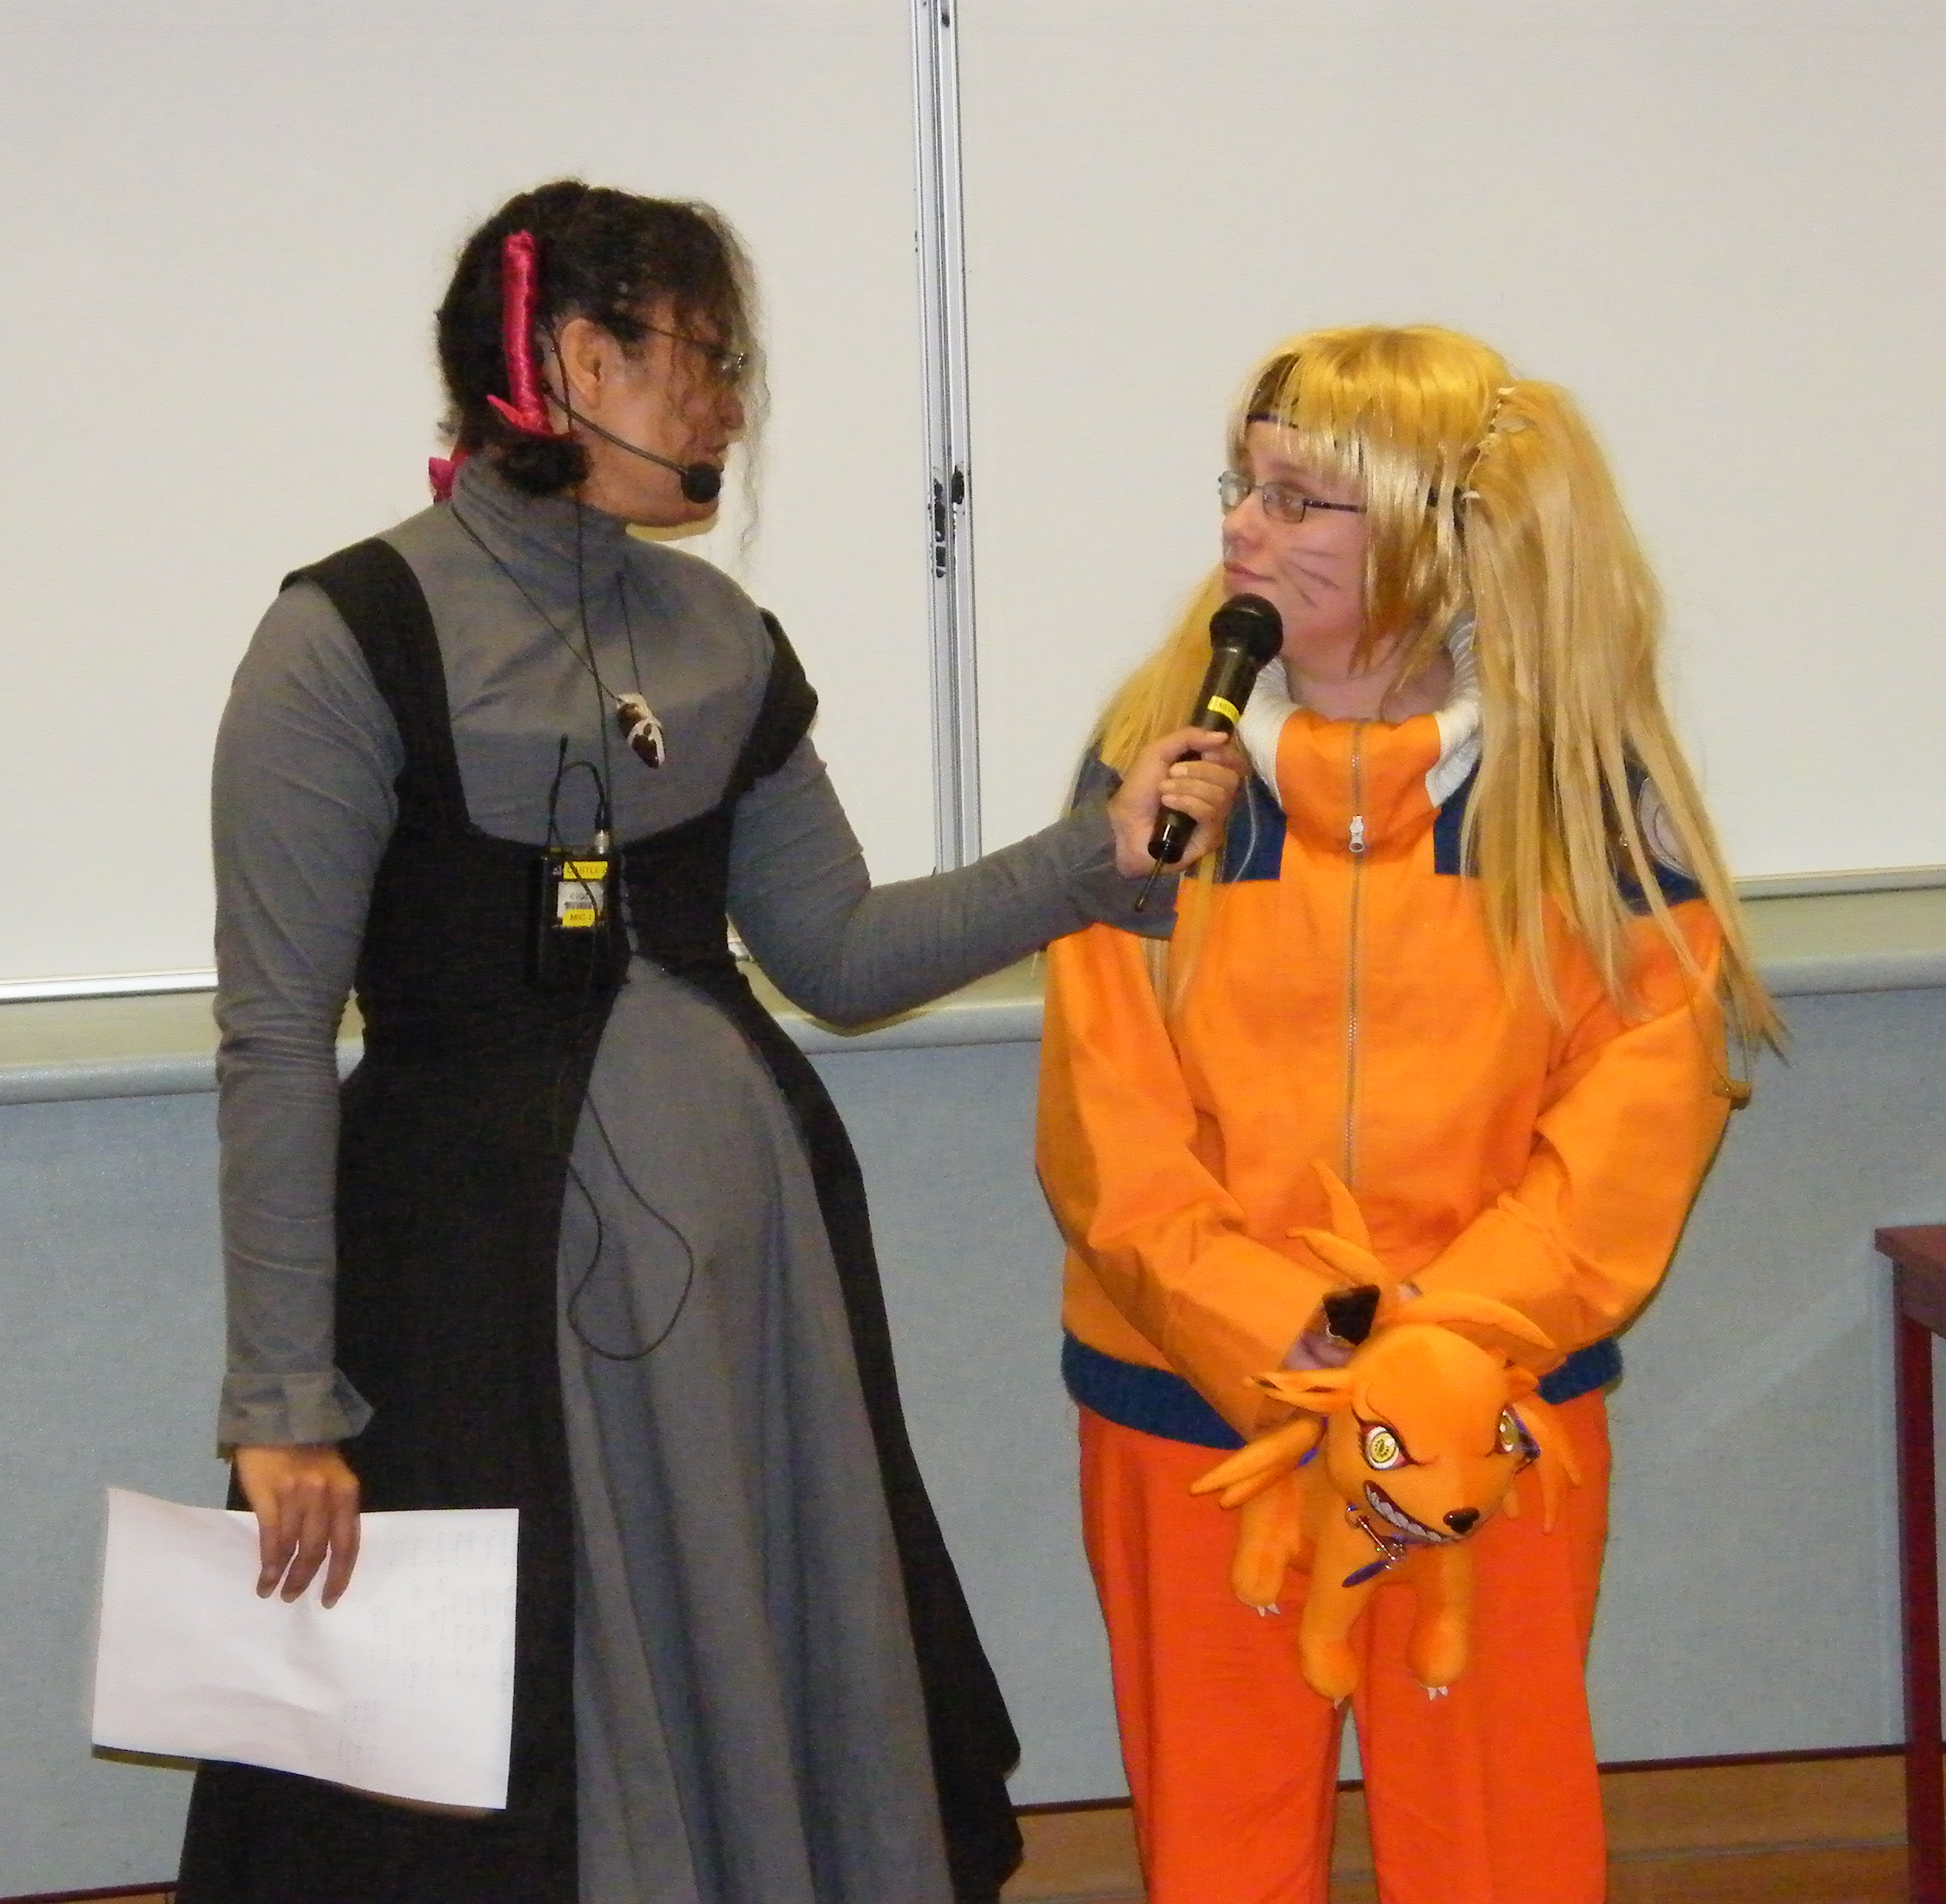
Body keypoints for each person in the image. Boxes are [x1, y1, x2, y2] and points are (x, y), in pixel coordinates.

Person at [174, 180, 1238, 1904]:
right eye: (703, 358)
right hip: (468, 1299)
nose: (730, 405)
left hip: (759, 1301)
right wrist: (283, 1401)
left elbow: (840, 952)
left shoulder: (720, 635)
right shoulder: (344, 640)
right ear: (574, 362)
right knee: (499, 1750)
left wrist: (1091, 858)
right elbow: (276, 1039)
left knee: (765, 1658)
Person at [1035, 324, 1781, 1904]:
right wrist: (1274, 1330)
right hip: (1199, 1407)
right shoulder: (1160, 775)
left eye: (1299, 499)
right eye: (1242, 487)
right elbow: (1109, 1124)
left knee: (1496, 1840)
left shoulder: (1582, 796)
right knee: (1221, 1845)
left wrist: (1444, 1346)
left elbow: (1640, 1114)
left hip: (1482, 1412)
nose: (1244, 528)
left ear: (1446, 543)